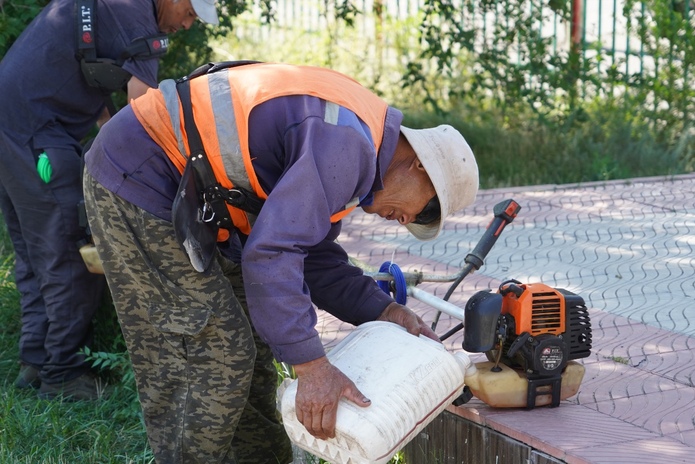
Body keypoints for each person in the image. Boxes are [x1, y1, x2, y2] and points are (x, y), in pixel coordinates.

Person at [82, 61, 479, 463]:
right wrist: (312, 368)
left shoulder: (359, 141)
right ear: (417, 165)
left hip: (185, 189)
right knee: (213, 350)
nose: (409, 221)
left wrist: (384, 309)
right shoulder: (348, 147)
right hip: (139, 176)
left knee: (252, 345)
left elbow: (313, 257)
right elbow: (272, 253)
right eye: (425, 210)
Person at [0, 0, 220, 401]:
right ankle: (64, 374)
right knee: (70, 251)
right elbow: (145, 113)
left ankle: (36, 360)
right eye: (189, 11)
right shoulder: (137, 18)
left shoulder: (117, 6)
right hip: (39, 134)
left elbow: (92, 80)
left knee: (36, 253)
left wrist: (106, 132)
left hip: (13, 124)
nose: (187, 24)